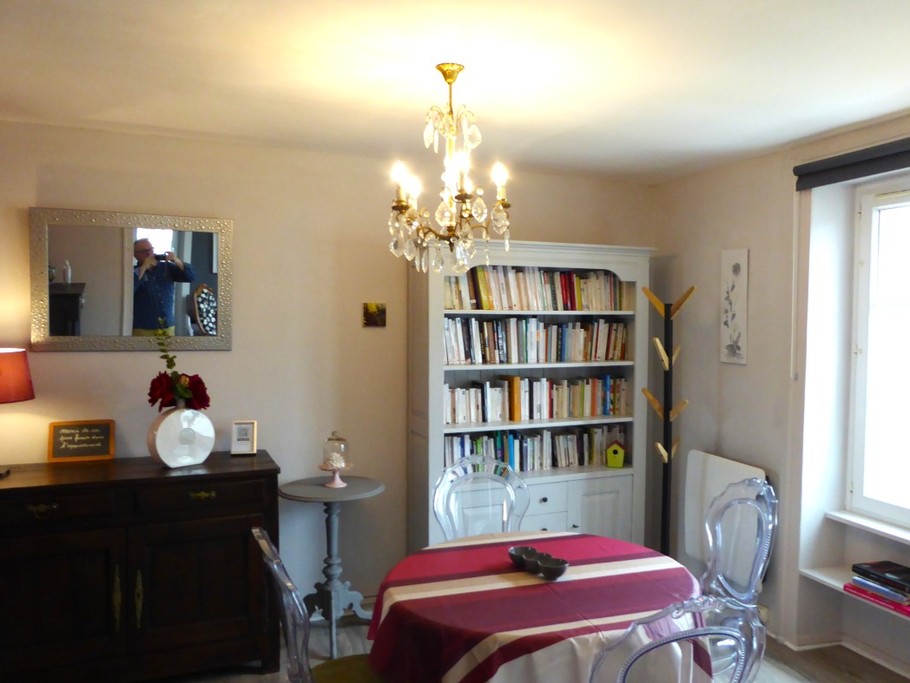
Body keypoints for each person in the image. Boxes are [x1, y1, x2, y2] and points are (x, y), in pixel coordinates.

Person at [132, 238, 195, 336]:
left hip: (167, 325)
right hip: (143, 327)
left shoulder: (166, 268)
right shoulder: (133, 272)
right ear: (135, 254)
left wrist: (176, 260)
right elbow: (129, 290)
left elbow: (190, 277)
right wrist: (143, 267)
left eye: (151, 250)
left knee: (167, 351)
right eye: (144, 251)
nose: (149, 254)